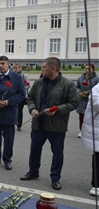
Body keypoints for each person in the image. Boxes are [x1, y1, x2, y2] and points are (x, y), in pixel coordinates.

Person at [20, 57, 79, 190]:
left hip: (57, 125)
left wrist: (57, 109)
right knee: (35, 149)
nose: (42, 69)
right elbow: (30, 99)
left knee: (57, 153)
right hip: (38, 123)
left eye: (44, 67)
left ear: (53, 69)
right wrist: (32, 109)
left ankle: (55, 178)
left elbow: (74, 103)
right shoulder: (39, 82)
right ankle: (33, 171)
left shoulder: (67, 84)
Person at [0, 56, 26, 171]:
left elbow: (22, 94)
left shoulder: (17, 78)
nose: (0, 66)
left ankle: (7, 159)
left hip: (9, 112)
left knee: (9, 138)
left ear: (8, 64)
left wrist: (9, 102)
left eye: (3, 63)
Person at [81, 82, 99, 196]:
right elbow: (97, 103)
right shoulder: (97, 88)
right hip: (97, 128)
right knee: (98, 157)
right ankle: (96, 184)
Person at [76, 64, 98, 138]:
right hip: (82, 100)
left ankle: (91, 132)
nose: (87, 70)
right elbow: (77, 87)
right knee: (81, 116)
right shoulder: (81, 78)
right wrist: (79, 92)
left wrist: (88, 92)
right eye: (85, 68)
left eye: (89, 69)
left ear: (93, 69)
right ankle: (81, 131)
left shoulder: (96, 79)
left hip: (91, 101)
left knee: (91, 117)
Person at [13, 62, 30, 131]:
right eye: (14, 68)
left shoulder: (24, 76)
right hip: (13, 95)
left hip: (21, 96)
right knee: (13, 110)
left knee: (19, 111)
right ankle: (12, 123)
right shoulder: (12, 75)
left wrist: (21, 89)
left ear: (20, 68)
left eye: (17, 68)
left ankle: (19, 125)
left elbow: (28, 85)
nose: (15, 70)